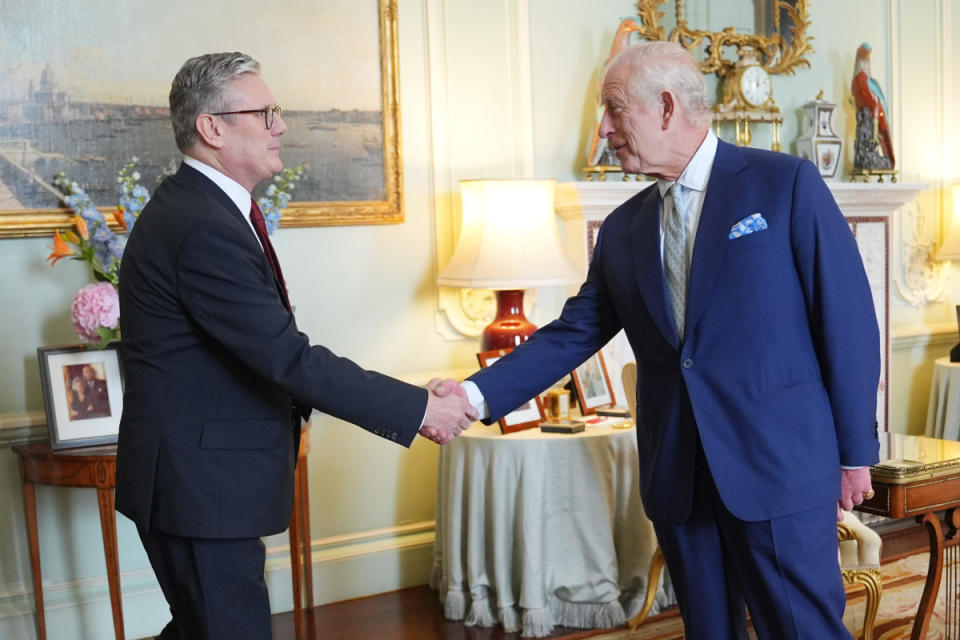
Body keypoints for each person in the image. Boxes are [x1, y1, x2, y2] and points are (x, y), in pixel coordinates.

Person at [438, 41, 880, 639]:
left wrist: (855, 453)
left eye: (615, 110)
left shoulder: (786, 185)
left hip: (779, 468)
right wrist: (472, 396)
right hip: (680, 478)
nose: (603, 128)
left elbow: (847, 322)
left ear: (667, 106)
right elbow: (575, 332)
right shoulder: (623, 229)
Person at [115, 52, 476, 640]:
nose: (281, 125)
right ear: (212, 128)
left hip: (203, 481)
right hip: (199, 487)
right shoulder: (201, 223)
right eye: (265, 112)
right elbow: (288, 358)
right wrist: (419, 407)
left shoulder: (203, 209)